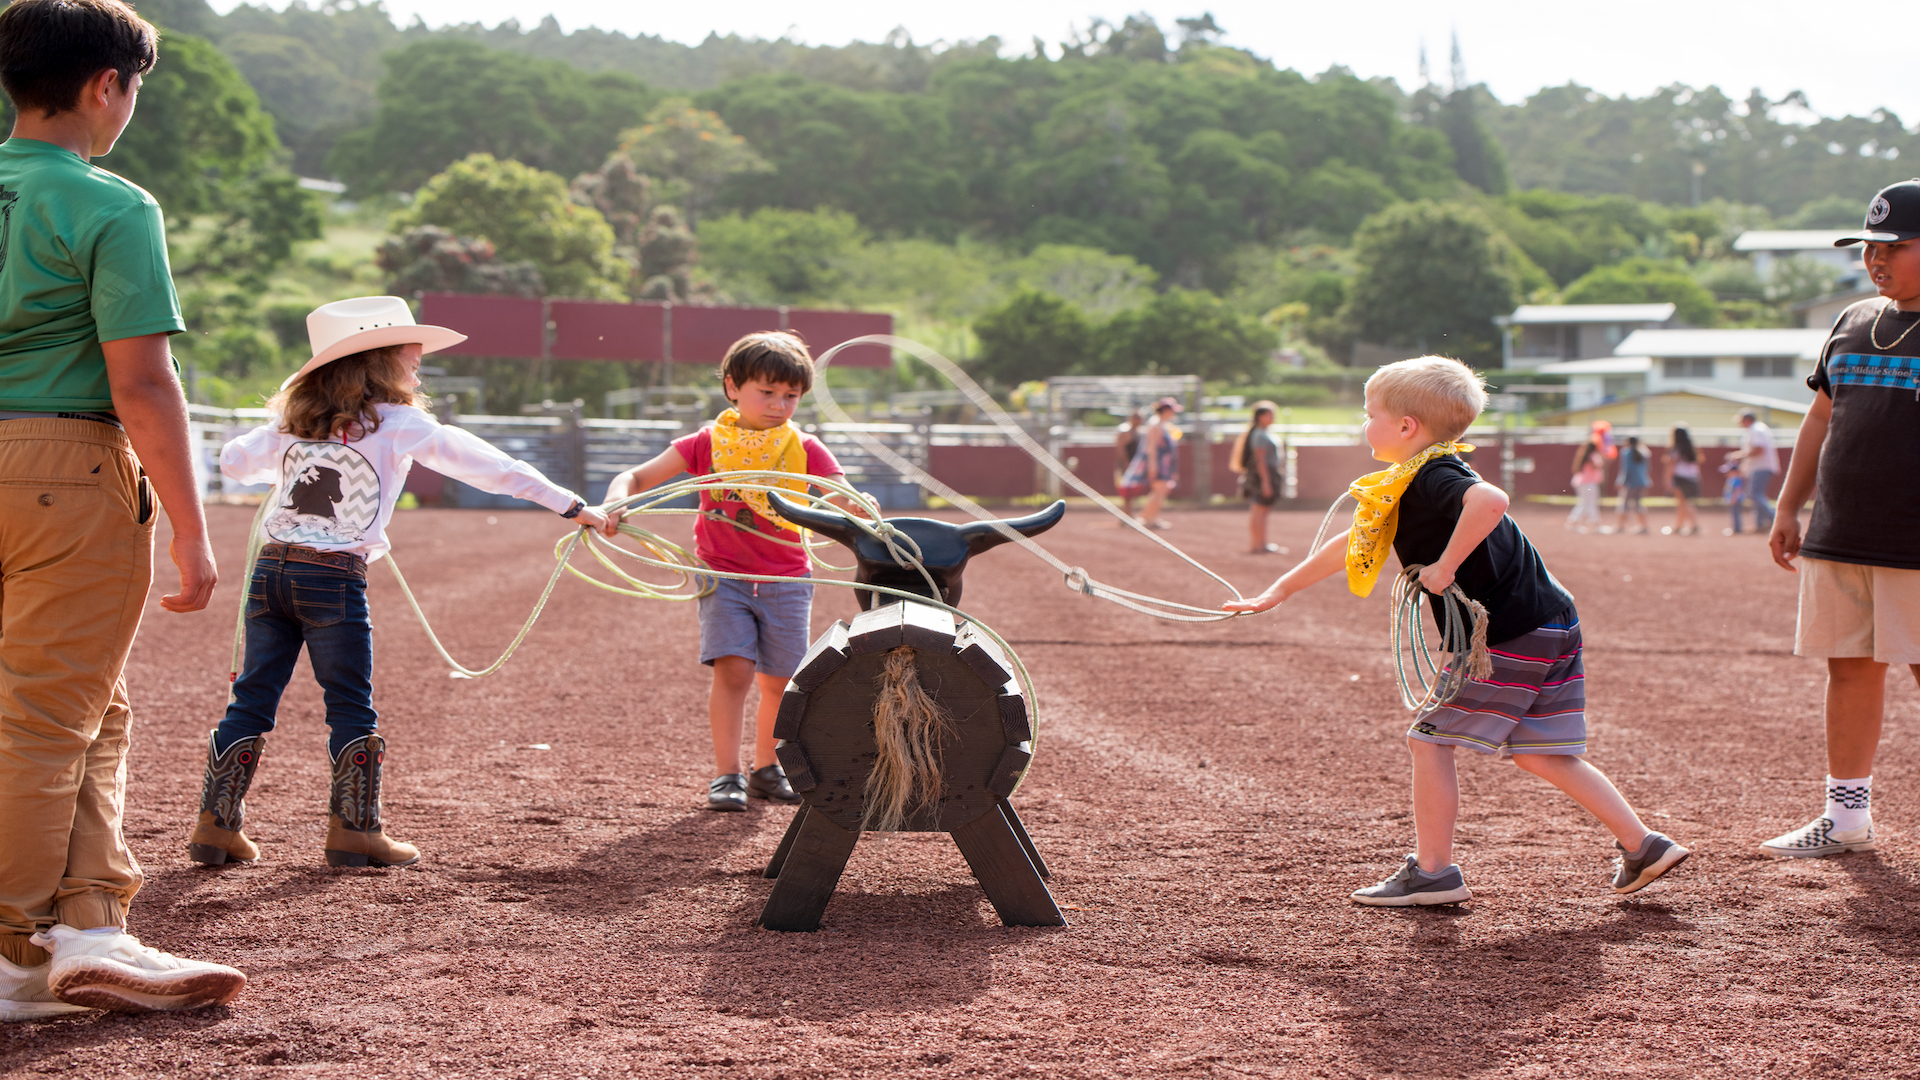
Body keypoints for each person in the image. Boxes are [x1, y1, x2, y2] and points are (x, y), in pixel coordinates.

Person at [1224, 356, 1688, 905]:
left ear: (1406, 428)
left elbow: (1491, 501)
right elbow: (1355, 540)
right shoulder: (1414, 479)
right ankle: (1644, 847)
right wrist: (1279, 591)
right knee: (1542, 752)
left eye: (1370, 414)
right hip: (1549, 619)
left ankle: (1434, 872)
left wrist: (1444, 566)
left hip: (1505, 632)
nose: (1362, 424)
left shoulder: (1433, 474)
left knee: (1429, 740)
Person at [0, 0, 248, 1019]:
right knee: (49, 715)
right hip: (65, 465)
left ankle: (90, 924)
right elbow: (143, 382)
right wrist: (193, 532)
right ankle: (16, 954)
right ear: (108, 84)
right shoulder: (111, 205)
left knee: (91, 703)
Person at [194, 296, 613, 869]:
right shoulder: (400, 424)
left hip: (272, 570)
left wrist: (292, 439)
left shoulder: (292, 423)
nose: (418, 365)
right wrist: (572, 506)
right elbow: (489, 466)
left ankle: (215, 827)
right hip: (334, 576)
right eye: (409, 357)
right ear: (380, 363)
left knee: (253, 697)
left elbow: (236, 461)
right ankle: (355, 832)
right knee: (349, 702)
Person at [604, 332, 854, 811]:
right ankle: (726, 775)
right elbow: (634, 478)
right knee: (734, 670)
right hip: (723, 577)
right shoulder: (706, 443)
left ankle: (766, 769)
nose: (780, 405)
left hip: (786, 580)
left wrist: (854, 506)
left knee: (780, 680)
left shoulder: (804, 448)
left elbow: (844, 493)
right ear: (733, 387)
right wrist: (618, 501)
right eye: (768, 392)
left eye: (791, 396)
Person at [1762, 177, 1920, 858]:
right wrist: (1789, 502)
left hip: (1915, 541)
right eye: (1868, 247)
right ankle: (1846, 817)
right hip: (1841, 531)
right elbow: (1822, 414)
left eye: (1895, 246)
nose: (1876, 259)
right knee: (1849, 668)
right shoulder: (1853, 320)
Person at [1120, 397, 1182, 530]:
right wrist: (1153, 467)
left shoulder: (1162, 424)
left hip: (1163, 464)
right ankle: (1145, 518)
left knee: (1161, 490)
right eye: (1172, 411)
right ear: (1165, 411)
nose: (1173, 414)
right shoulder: (1155, 425)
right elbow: (1151, 447)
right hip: (1158, 464)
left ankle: (1151, 517)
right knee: (1158, 490)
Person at [1232, 400, 1282, 553]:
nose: (1273, 417)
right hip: (1262, 477)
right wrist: (1266, 483)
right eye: (1269, 414)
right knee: (1259, 510)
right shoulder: (1260, 435)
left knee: (1262, 510)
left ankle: (1261, 543)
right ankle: (1256, 544)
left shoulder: (1262, 433)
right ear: (1260, 417)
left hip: (1265, 475)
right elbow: (1260, 460)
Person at [1735, 409, 1778, 534]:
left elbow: (1759, 449)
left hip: (1761, 468)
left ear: (1747, 420)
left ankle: (1774, 517)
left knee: (1755, 494)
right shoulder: (1757, 429)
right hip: (1760, 468)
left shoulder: (1756, 430)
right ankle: (1760, 524)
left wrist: (1740, 455)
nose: (1740, 424)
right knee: (1756, 494)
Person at [1664, 426, 1701, 536]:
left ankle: (1694, 526)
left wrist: (1668, 480)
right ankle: (1678, 526)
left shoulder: (1676, 449)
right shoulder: (1691, 448)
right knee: (1683, 503)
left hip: (1680, 478)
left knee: (1683, 504)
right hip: (1692, 478)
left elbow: (1671, 466)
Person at [1113, 407, 1147, 517]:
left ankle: (1130, 515)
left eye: (1140, 418)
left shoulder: (1141, 432)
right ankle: (1126, 516)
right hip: (1127, 467)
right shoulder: (1125, 432)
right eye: (1136, 418)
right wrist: (1126, 466)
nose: (1138, 420)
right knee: (1126, 493)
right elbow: (1121, 451)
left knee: (1134, 493)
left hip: (1137, 467)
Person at [1612, 435, 1650, 535]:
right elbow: (1647, 468)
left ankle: (1620, 526)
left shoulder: (1626, 452)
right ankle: (1644, 526)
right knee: (1638, 504)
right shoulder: (1644, 452)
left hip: (1630, 482)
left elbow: (1626, 469)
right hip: (1642, 482)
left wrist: (1621, 481)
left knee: (1624, 504)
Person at [1565, 438, 1604, 532]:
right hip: (1589, 483)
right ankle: (1594, 524)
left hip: (1582, 483)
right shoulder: (1593, 456)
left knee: (1584, 503)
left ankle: (1573, 522)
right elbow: (1598, 465)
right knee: (1590, 503)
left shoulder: (1584, 456)